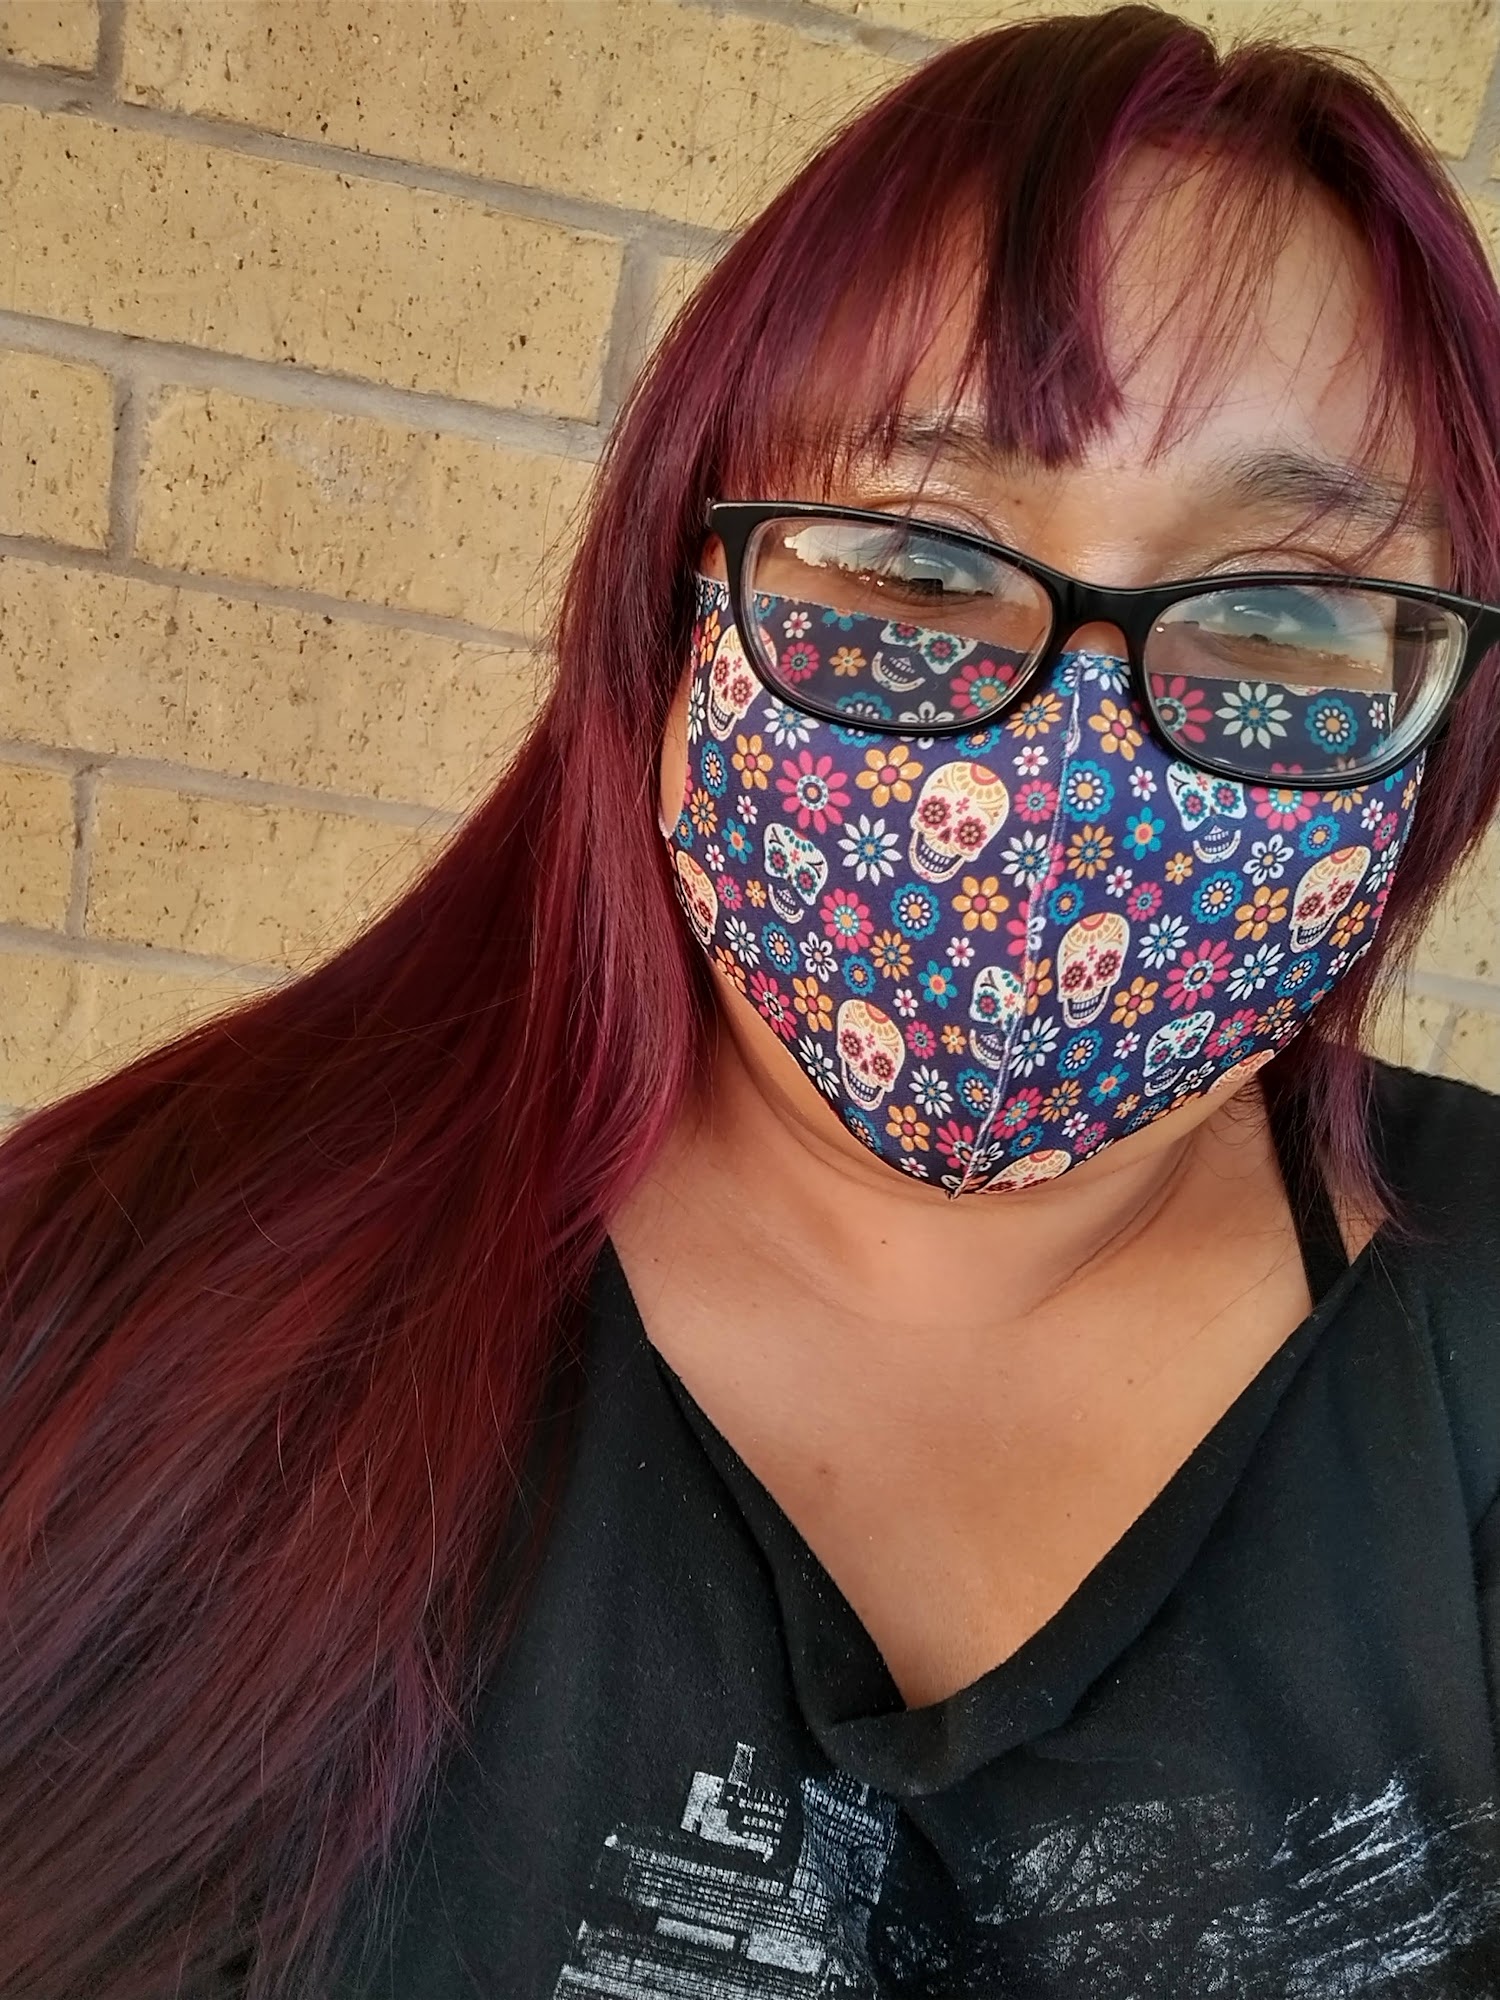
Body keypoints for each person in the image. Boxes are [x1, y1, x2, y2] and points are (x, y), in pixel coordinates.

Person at [3, 6, 1500, 1995]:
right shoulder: (130, 1301)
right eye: (919, 565)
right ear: (679, 601)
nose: (1072, 751)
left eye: (1288, 606)